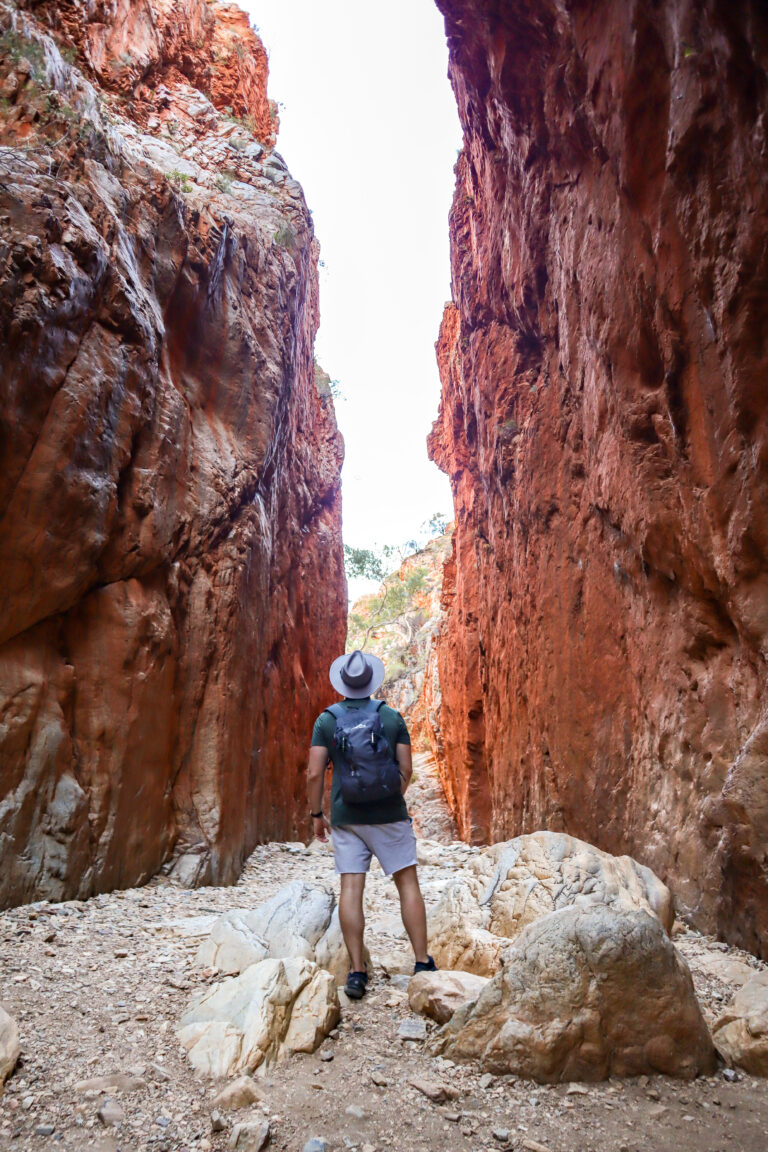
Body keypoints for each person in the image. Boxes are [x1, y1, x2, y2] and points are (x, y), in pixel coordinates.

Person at [307, 649, 436, 1000]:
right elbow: (406, 770)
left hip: (346, 817)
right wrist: (387, 797)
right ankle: (422, 963)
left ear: (344, 683)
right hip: (390, 816)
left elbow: (316, 772)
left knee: (351, 888)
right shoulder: (391, 717)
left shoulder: (326, 721)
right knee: (407, 883)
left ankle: (356, 972)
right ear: (371, 682)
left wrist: (317, 815)